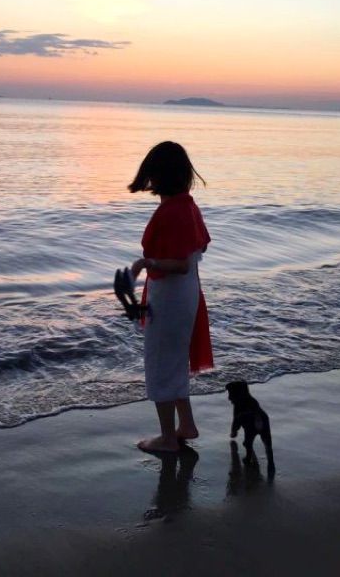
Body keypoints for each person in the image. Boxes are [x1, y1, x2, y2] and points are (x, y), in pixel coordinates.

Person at [128, 141, 213, 453]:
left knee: (161, 363)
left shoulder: (172, 211)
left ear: (159, 175)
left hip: (171, 297)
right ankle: (186, 425)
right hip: (186, 293)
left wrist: (146, 263)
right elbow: (196, 252)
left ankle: (167, 439)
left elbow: (179, 264)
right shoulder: (188, 206)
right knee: (174, 360)